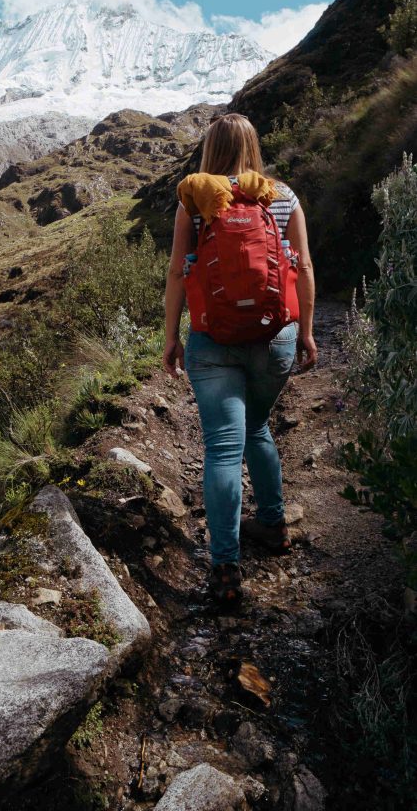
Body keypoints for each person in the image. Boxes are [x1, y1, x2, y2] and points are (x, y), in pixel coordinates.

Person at [162, 113, 317, 604]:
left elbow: (175, 274)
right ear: (254, 146)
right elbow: (305, 267)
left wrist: (171, 337)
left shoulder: (195, 197)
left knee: (223, 448)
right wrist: (308, 333)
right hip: (275, 338)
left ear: (211, 148)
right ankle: (273, 526)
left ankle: (225, 569)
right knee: (257, 429)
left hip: (213, 340)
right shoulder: (283, 195)